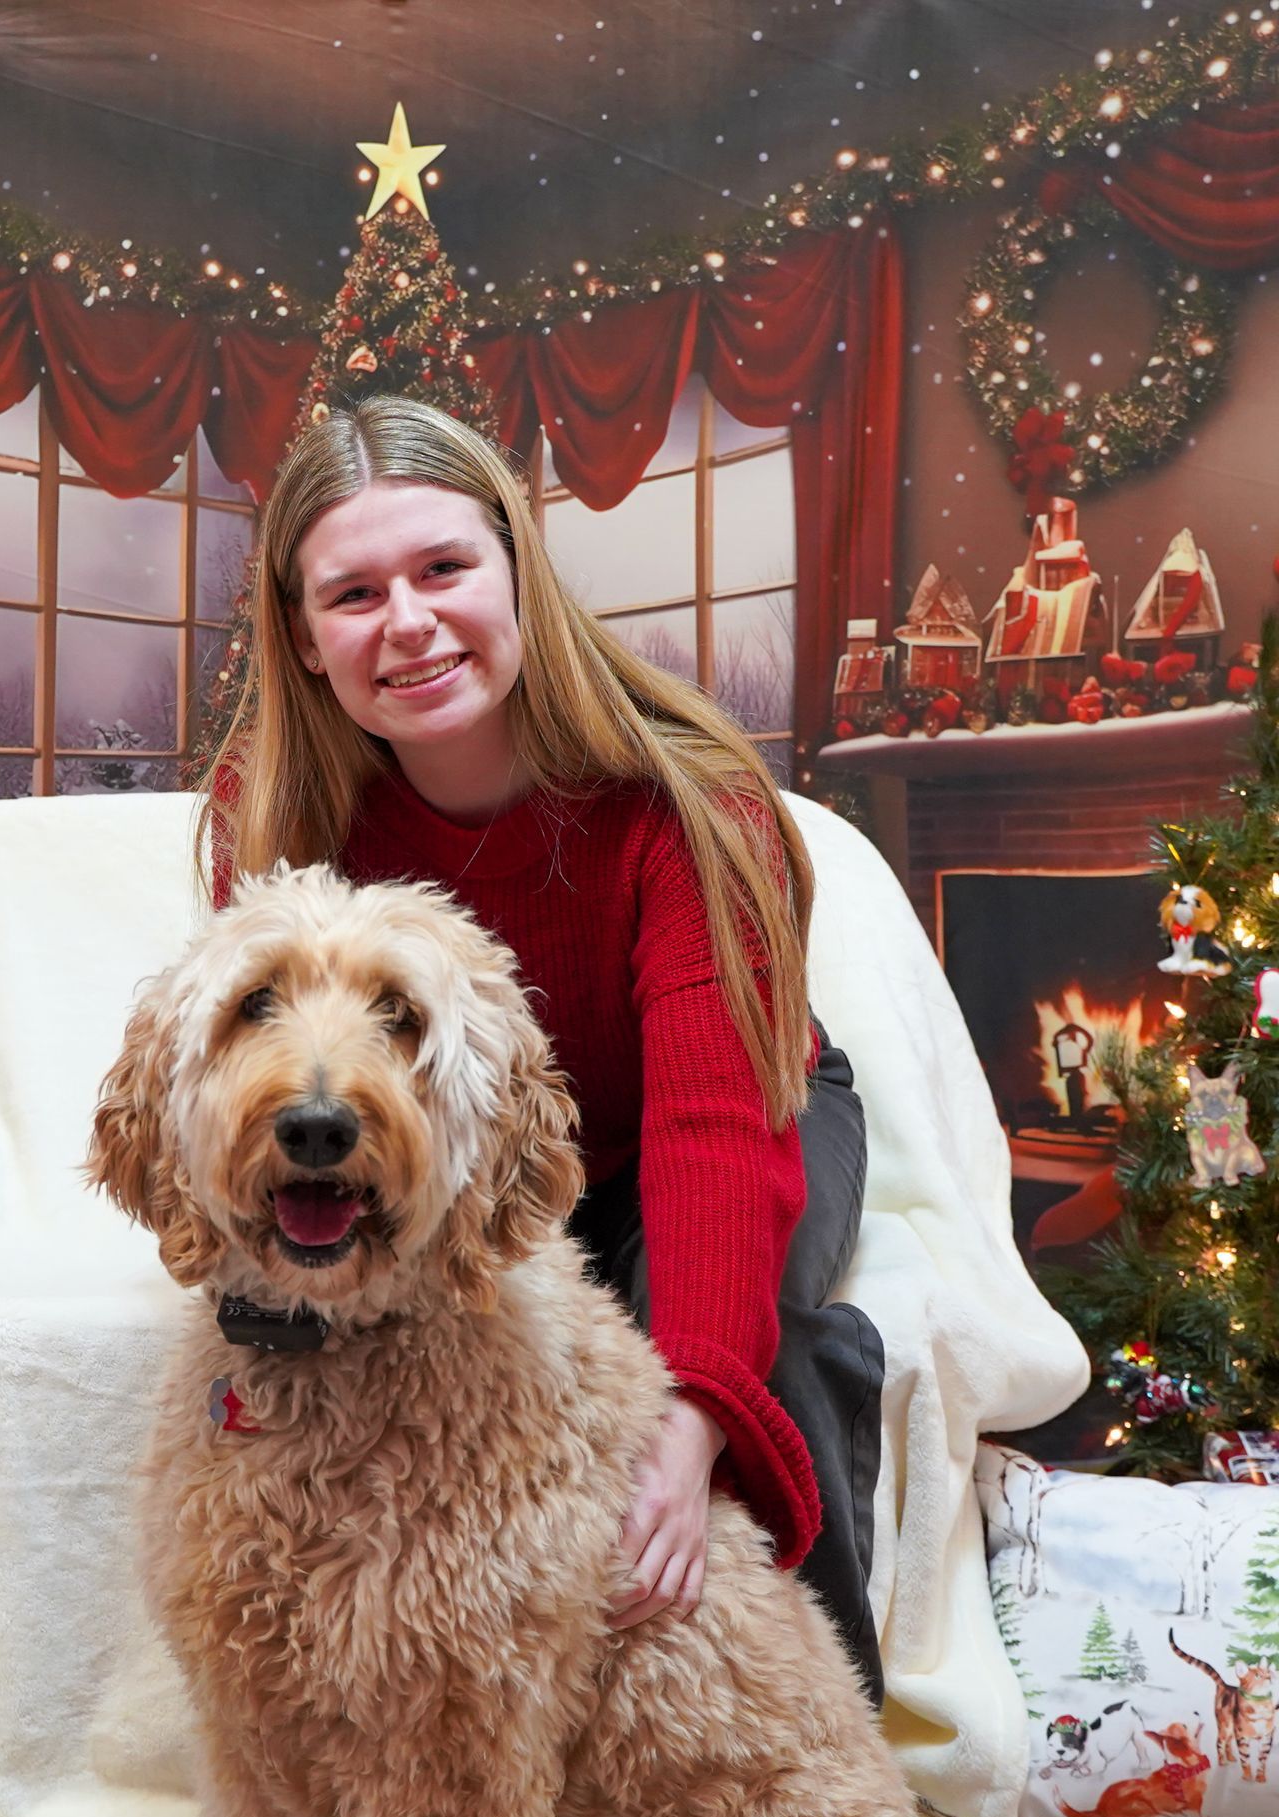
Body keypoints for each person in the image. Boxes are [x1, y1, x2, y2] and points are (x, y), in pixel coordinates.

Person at [201, 394, 884, 1705]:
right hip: (481, 1164)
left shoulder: (685, 796)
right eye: (352, 593)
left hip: (715, 1108)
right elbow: (273, 1082)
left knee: (760, 1360)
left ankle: (819, 1750)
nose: (406, 622)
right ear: (303, 632)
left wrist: (692, 1427)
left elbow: (713, 1129)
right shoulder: (276, 805)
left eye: (445, 568)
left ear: (517, 566)